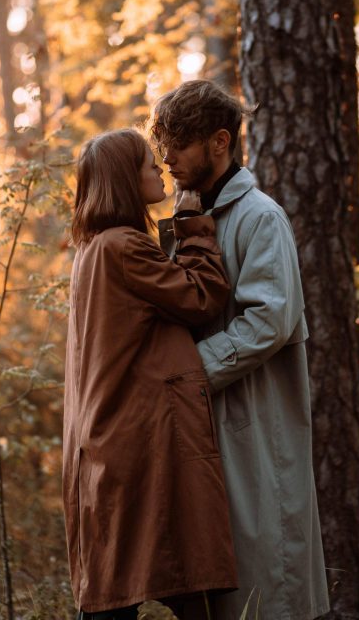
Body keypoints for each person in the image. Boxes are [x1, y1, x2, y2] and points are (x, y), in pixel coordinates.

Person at [149, 80, 330, 620]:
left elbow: (269, 320)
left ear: (220, 141)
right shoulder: (188, 219)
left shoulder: (260, 218)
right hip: (201, 428)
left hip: (256, 428)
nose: (167, 159)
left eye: (178, 144)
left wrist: (187, 374)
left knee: (265, 582)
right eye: (162, 146)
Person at [64, 128, 239, 620]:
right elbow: (202, 296)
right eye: (147, 164)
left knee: (121, 591)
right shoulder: (123, 248)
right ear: (125, 181)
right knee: (142, 592)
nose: (160, 169)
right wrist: (191, 223)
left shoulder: (94, 248)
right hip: (137, 447)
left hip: (113, 443)